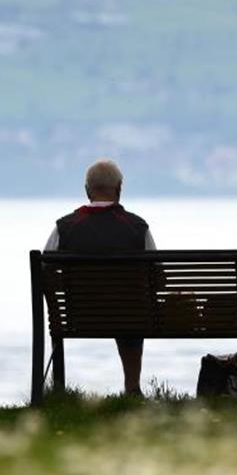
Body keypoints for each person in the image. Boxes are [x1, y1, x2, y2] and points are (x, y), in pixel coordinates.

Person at [44, 159, 154, 396]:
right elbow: (158, 276)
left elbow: (46, 272)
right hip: (130, 316)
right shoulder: (138, 226)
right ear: (119, 189)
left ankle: (59, 390)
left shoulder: (64, 227)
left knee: (128, 309)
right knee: (132, 311)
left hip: (78, 316)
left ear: (87, 190)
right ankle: (132, 386)